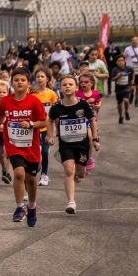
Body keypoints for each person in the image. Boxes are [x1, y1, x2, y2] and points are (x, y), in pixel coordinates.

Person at [0, 69, 47, 226]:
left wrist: (31, 124)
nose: (19, 82)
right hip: (14, 144)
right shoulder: (6, 101)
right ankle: (19, 207)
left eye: (23, 80)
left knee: (31, 180)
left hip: (31, 146)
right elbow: (0, 115)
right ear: (11, 83)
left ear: (29, 83)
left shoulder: (34, 101)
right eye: (16, 80)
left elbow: (44, 121)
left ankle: (32, 206)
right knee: (18, 173)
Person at [47, 75, 97, 216]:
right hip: (66, 144)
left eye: (70, 84)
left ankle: (78, 172)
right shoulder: (57, 106)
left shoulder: (83, 104)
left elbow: (92, 120)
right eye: (64, 85)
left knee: (80, 173)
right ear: (60, 88)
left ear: (76, 88)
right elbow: (49, 120)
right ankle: (71, 202)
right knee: (69, 171)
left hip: (82, 144)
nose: (67, 87)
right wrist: (50, 135)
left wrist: (95, 138)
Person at [111, 55, 133, 124]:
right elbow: (112, 79)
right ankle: (120, 116)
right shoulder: (115, 70)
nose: (121, 62)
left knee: (126, 100)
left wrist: (132, 80)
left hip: (126, 88)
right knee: (120, 104)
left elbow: (133, 72)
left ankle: (126, 112)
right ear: (116, 62)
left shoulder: (128, 68)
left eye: (122, 60)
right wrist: (117, 76)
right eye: (119, 61)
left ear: (125, 61)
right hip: (118, 89)